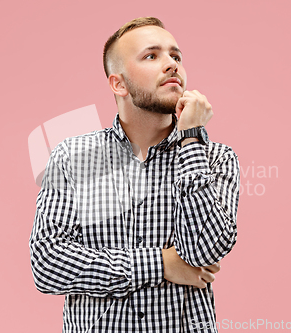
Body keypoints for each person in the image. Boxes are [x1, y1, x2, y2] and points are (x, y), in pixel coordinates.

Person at [29, 17, 240, 332]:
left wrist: (191, 137)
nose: (172, 65)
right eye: (152, 56)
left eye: (176, 56)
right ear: (119, 84)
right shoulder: (71, 158)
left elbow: (203, 250)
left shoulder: (216, 158)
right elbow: (48, 265)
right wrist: (160, 265)